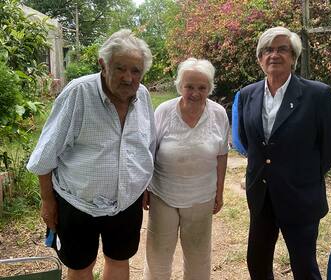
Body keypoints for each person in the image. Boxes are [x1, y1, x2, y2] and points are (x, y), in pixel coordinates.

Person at [26, 29, 155, 280]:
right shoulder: (79, 93)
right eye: (120, 68)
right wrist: (48, 201)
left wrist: (144, 184)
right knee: (80, 266)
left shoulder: (144, 96)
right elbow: (45, 155)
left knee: (119, 259)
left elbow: (146, 146)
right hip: (78, 203)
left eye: (136, 71)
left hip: (126, 202)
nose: (128, 78)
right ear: (103, 64)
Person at [237, 26, 331, 280]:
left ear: (294, 57)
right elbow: (245, 139)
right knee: (257, 263)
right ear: (260, 58)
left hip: (300, 196)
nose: (274, 55)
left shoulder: (317, 94)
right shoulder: (247, 94)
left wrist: (302, 176)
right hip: (261, 195)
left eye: (282, 49)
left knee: (304, 266)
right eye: (268, 50)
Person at [143, 57, 229, 280]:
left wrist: (219, 191)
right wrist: (145, 188)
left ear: (209, 88)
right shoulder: (163, 111)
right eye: (189, 86)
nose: (195, 93)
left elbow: (221, 155)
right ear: (180, 86)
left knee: (199, 255)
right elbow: (149, 151)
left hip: (201, 195)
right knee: (158, 254)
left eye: (202, 87)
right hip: (164, 194)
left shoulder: (218, 113)